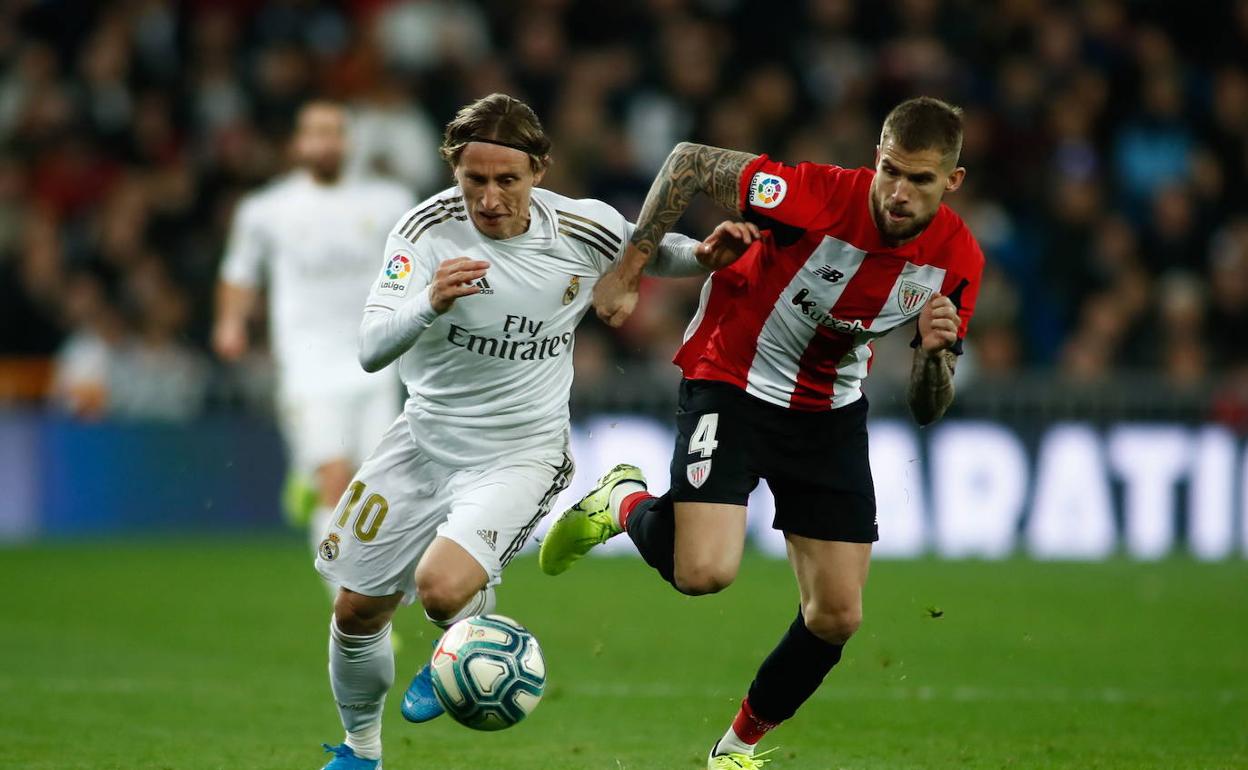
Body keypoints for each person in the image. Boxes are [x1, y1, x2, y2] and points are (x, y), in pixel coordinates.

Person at [540, 96, 985, 769]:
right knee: (704, 573)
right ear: (875, 159)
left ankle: (734, 749)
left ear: (951, 182)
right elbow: (689, 164)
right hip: (734, 376)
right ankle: (624, 503)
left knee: (837, 615)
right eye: (889, 170)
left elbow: (928, 407)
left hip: (829, 411)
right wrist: (628, 271)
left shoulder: (956, 260)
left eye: (919, 179)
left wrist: (929, 357)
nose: (897, 192)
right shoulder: (813, 193)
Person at [311, 92, 750, 770]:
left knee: (439, 587)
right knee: (355, 614)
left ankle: (459, 633)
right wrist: (428, 304)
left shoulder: (581, 227)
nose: (489, 198)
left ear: (539, 172)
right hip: (423, 442)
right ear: (455, 172)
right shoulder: (426, 233)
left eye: (506, 180)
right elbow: (371, 347)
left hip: (522, 452)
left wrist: (705, 254)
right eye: (474, 180)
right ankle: (360, 750)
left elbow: (653, 252)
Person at [214, 101, 413, 554]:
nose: (325, 142)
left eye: (334, 132)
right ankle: (351, 615)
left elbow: (412, 265)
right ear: (297, 144)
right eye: (315, 133)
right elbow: (239, 272)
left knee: (372, 491)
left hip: (374, 360)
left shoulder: (389, 202)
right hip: (308, 363)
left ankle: (303, 473)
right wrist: (230, 322)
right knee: (336, 481)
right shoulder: (267, 209)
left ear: (349, 142)